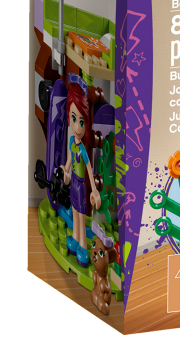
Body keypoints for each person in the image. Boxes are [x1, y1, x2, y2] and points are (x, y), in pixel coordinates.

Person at [61, 81, 103, 265]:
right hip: (73, 183)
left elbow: (88, 169)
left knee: (80, 213)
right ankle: (76, 237)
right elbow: (70, 160)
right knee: (74, 209)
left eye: (81, 122)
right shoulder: (72, 142)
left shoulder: (84, 150)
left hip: (81, 184)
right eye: (74, 119)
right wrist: (65, 170)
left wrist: (94, 189)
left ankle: (83, 246)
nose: (77, 127)